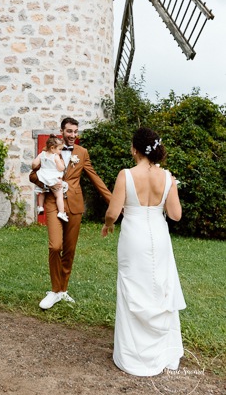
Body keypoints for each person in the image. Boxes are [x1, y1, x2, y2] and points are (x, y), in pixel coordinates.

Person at [102, 127, 185, 377]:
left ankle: (133, 356)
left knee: (132, 286)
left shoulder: (126, 175)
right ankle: (162, 352)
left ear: (134, 149)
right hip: (158, 237)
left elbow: (113, 213)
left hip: (134, 237)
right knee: (160, 286)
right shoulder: (167, 177)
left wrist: (107, 225)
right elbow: (175, 215)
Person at [31, 117, 111, 311]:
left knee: (69, 250)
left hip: (74, 205)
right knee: (54, 246)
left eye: (75, 131)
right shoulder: (48, 151)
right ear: (62, 131)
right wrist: (47, 184)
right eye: (69, 131)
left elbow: (95, 178)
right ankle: (54, 290)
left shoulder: (82, 153)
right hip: (52, 201)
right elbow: (33, 175)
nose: (73, 135)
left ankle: (62, 290)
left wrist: (113, 200)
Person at [31, 136, 68, 221]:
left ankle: (40, 207)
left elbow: (34, 164)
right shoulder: (55, 156)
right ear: (52, 148)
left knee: (42, 192)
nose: (60, 151)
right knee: (59, 195)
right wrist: (63, 164)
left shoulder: (42, 154)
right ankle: (61, 212)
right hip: (53, 177)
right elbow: (60, 168)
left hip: (43, 176)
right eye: (60, 149)